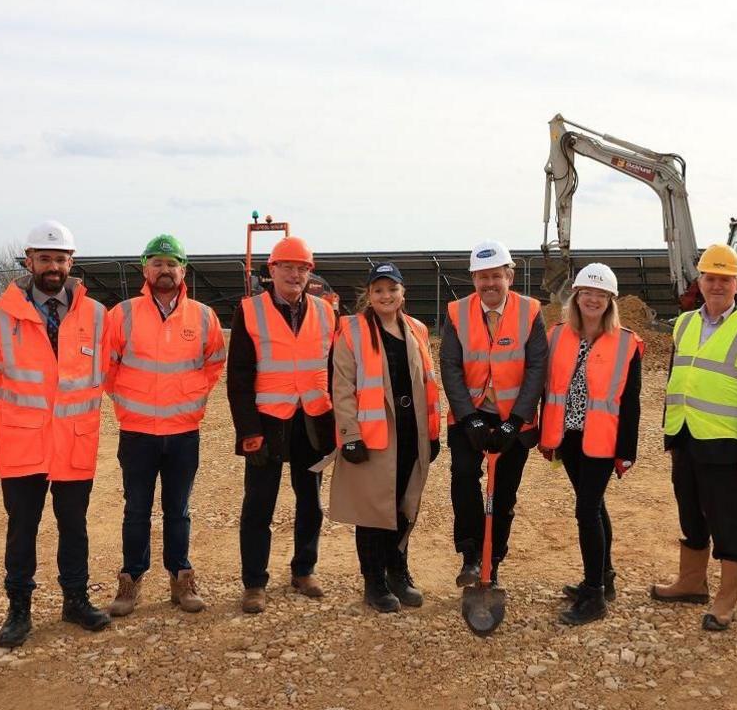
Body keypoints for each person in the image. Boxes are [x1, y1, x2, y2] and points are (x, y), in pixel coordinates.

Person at [0, 221, 112, 648]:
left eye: (60, 258)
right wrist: (28, 417)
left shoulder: (95, 315)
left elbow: (103, 370)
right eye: (44, 258)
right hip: (25, 442)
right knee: (23, 527)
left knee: (74, 525)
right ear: (28, 261)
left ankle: (75, 600)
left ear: (71, 263)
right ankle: (18, 610)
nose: (52, 266)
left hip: (75, 439)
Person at [649, 245, 737, 630]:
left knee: (727, 520)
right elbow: (676, 376)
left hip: (724, 444)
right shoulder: (684, 323)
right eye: (710, 278)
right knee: (690, 511)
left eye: (724, 279)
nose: (716, 285)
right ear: (699, 281)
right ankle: (692, 582)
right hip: (685, 435)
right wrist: (671, 432)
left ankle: (726, 599)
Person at [102, 234, 227, 616]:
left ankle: (181, 577)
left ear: (183, 270)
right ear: (145, 269)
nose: (165, 270)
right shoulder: (121, 314)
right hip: (137, 431)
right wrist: (125, 400)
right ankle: (131, 580)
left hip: (183, 432)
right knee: (136, 509)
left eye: (172, 263)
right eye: (157, 263)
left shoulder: (203, 316)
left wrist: (191, 400)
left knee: (179, 509)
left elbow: (214, 362)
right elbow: (107, 366)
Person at [228, 235, 337, 613]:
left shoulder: (326, 312)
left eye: (302, 268)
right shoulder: (250, 310)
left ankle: (304, 570)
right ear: (271, 270)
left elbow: (335, 370)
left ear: (310, 273)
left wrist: (335, 423)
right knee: (259, 505)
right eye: (287, 267)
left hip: (313, 420)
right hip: (268, 421)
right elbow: (239, 376)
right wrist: (248, 430)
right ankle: (254, 582)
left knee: (311, 502)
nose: (295, 274)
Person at [328, 263, 442, 612]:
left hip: (412, 433)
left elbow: (428, 383)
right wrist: (349, 435)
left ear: (402, 293)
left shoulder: (417, 329)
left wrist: (433, 434)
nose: (386, 295)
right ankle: (373, 581)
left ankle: (398, 571)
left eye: (392, 289)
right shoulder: (352, 332)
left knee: (405, 505)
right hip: (374, 437)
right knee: (373, 511)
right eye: (378, 290)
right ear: (369, 295)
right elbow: (342, 386)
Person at [538, 264, 642, 625]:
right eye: (586, 293)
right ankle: (604, 578)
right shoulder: (556, 335)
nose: (593, 299)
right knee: (594, 508)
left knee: (586, 511)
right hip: (568, 436)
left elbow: (631, 402)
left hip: (602, 439)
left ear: (611, 301)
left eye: (600, 295)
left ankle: (594, 595)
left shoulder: (627, 343)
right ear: (576, 297)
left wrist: (627, 450)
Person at [440, 240, 548, 587]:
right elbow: (451, 366)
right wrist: (469, 417)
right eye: (482, 277)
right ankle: (470, 556)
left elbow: (536, 368)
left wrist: (515, 422)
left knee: (503, 494)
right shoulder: (457, 312)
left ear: (509, 276)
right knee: (464, 478)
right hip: (469, 415)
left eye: (496, 276)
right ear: (473, 279)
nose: (489, 284)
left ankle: (494, 560)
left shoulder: (530, 311)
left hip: (513, 419)